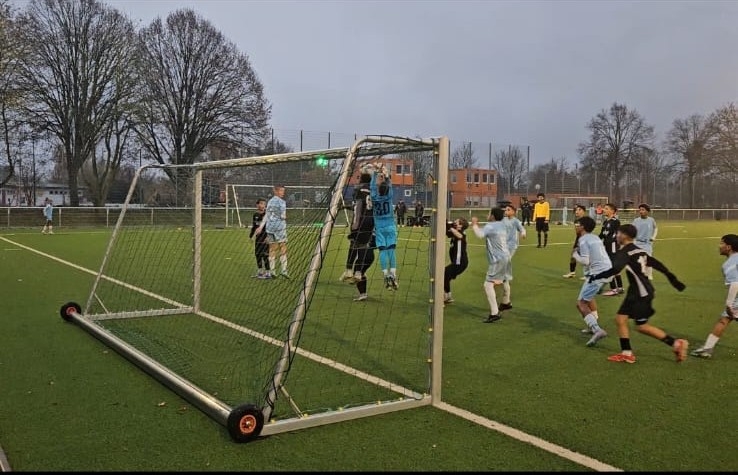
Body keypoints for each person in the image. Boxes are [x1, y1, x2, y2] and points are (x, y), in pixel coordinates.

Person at [588, 224, 688, 363]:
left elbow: (615, 270)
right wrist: (673, 279)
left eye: (618, 233)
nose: (617, 236)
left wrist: (596, 277)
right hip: (640, 291)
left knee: (641, 326)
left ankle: (676, 343)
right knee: (621, 319)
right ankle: (627, 353)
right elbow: (657, 264)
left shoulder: (625, 252)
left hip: (640, 293)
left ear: (624, 235)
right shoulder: (639, 250)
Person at [690, 234, 738, 359]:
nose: (719, 246)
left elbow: (735, 283)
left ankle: (707, 349)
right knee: (724, 319)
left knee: (724, 319)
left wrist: (729, 303)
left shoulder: (730, 263)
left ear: (729, 247)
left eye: (722, 243)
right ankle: (707, 348)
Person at [571, 216, 612, 346]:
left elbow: (585, 261)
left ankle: (597, 330)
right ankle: (592, 325)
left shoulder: (583, 240)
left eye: (577, 224)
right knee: (588, 299)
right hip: (606, 271)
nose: (576, 226)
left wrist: (575, 255)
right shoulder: (594, 237)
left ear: (582, 227)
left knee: (581, 303)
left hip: (597, 275)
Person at [471, 207, 510, 323]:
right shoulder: (502, 225)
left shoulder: (490, 226)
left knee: (488, 285)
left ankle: (494, 313)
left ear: (492, 215)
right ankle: (506, 302)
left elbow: (480, 234)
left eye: (489, 213)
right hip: (506, 256)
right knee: (504, 279)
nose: (487, 215)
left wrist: (474, 224)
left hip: (497, 259)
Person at [340, 167, 375, 292]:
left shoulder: (358, 190)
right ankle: (358, 273)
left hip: (360, 221)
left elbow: (357, 208)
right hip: (370, 223)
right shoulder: (373, 191)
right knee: (363, 247)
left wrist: (355, 224)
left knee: (353, 244)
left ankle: (349, 270)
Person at [370, 163, 398, 290]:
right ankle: (393, 274)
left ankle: (385, 274)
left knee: (382, 251)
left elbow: (372, 186)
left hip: (379, 227)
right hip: (390, 226)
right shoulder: (389, 196)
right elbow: (389, 184)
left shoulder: (374, 197)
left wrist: (375, 172)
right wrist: (386, 175)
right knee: (391, 250)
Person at [256, 185, 288, 278]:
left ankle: (272, 271)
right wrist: (284, 217)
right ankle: (284, 271)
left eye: (283, 191)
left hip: (270, 228)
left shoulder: (270, 202)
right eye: (281, 191)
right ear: (276, 191)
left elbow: (266, 215)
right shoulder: (282, 202)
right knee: (283, 247)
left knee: (271, 249)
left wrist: (261, 227)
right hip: (279, 228)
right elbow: (283, 216)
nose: (283, 193)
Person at [501, 204, 526, 309]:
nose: (506, 211)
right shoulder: (503, 220)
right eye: (505, 210)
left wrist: (523, 233)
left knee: (505, 263)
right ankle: (506, 300)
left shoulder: (516, 221)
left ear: (513, 212)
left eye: (508, 209)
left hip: (511, 246)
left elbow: (522, 229)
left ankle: (505, 277)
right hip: (503, 246)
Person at [599, 203, 625, 296]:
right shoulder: (606, 222)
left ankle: (614, 289)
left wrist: (618, 243)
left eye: (606, 208)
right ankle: (620, 288)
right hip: (606, 246)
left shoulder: (615, 221)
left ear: (612, 211)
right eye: (604, 208)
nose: (604, 210)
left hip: (613, 246)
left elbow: (619, 234)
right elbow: (602, 234)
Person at [443, 217, 469, 304]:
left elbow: (459, 236)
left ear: (460, 226)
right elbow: (447, 233)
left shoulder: (462, 233)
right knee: (446, 276)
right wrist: (444, 223)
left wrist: (449, 227)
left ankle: (447, 296)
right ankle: (448, 296)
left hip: (460, 263)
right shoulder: (454, 232)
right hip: (456, 262)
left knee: (444, 274)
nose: (454, 222)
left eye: (456, 222)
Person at [632, 203, 658, 280]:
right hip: (637, 243)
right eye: (640, 210)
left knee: (648, 260)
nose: (641, 211)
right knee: (639, 261)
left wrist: (653, 237)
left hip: (647, 244)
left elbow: (656, 228)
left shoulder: (651, 220)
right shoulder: (636, 221)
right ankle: (639, 275)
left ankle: (649, 275)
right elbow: (632, 230)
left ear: (647, 211)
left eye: (643, 210)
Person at [563, 204, 587, 278]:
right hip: (578, 239)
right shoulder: (576, 220)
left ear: (583, 211)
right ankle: (572, 272)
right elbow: (577, 232)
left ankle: (588, 274)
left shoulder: (587, 220)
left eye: (579, 210)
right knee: (573, 256)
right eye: (576, 210)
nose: (577, 211)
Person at [248, 198, 270, 278]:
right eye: (261, 203)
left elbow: (270, 227)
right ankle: (260, 271)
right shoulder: (255, 215)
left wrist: (268, 237)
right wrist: (251, 236)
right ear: (257, 205)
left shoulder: (267, 215)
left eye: (264, 204)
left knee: (265, 255)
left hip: (265, 238)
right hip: (258, 238)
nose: (263, 205)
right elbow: (254, 227)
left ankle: (268, 272)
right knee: (257, 254)